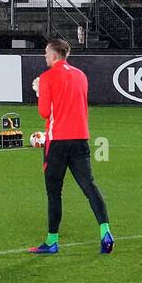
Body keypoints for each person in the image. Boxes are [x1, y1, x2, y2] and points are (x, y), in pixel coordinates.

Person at [29, 39, 114, 255]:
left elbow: (44, 113)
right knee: (90, 187)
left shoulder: (47, 78)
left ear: (55, 55)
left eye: (47, 53)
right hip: (80, 139)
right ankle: (105, 232)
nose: (45, 57)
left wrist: (39, 91)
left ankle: (52, 241)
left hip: (57, 142)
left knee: (54, 192)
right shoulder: (80, 75)